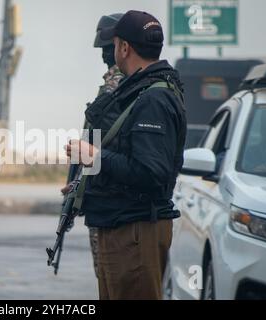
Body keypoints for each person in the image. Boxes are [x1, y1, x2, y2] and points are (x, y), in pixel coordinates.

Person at [65, 10, 187, 299]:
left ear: (124, 47)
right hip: (122, 226)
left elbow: (150, 172)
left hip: (135, 231)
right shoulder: (139, 91)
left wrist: (95, 157)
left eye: (115, 44)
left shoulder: (154, 98)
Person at [60, 13, 124, 278]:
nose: (104, 57)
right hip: (101, 193)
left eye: (106, 50)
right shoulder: (112, 84)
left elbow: (98, 145)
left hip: (111, 200)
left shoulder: (118, 85)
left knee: (110, 279)